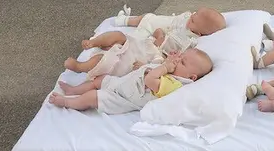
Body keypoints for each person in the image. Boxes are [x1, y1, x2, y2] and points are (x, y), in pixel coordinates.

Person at [64, 6, 225, 78]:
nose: (192, 17)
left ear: (201, 32)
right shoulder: (184, 24)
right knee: (119, 36)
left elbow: (167, 60)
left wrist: (159, 39)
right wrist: (158, 33)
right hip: (143, 44)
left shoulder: (189, 44)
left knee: (109, 60)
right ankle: (95, 42)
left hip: (147, 53)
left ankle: (80, 67)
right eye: (194, 14)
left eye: (194, 20)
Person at [49, 48, 213, 114]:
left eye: (182, 62)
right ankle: (73, 90)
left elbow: (150, 80)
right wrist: (162, 62)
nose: (178, 61)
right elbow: (150, 70)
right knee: (99, 80)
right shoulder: (170, 69)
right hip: (123, 84)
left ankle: (68, 102)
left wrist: (166, 67)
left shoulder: (175, 85)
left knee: (93, 97)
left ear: (191, 77)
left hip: (123, 99)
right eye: (181, 57)